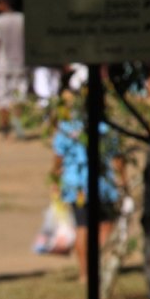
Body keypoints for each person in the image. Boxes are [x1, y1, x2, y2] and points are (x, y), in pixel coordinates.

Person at [50, 88, 127, 284]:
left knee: (81, 227)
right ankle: (97, 265)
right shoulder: (107, 127)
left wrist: (55, 180)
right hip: (103, 184)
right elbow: (118, 159)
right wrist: (124, 181)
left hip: (76, 184)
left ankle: (85, 273)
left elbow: (58, 159)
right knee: (105, 225)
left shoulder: (67, 127)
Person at [0, 0, 26, 141]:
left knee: (3, 98)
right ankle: (18, 126)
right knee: (19, 97)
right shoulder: (23, 20)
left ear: (5, 3)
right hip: (20, 64)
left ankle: (5, 128)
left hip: (2, 65)